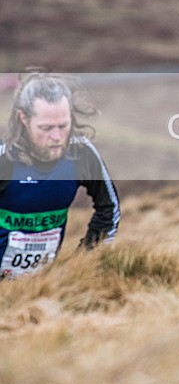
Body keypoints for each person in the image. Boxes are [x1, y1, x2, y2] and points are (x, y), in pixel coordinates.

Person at [0, 73, 120, 278]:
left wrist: (82, 261)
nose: (56, 137)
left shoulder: (81, 153)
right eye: (46, 128)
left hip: (43, 285)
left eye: (63, 126)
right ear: (24, 118)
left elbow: (110, 209)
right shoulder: (5, 159)